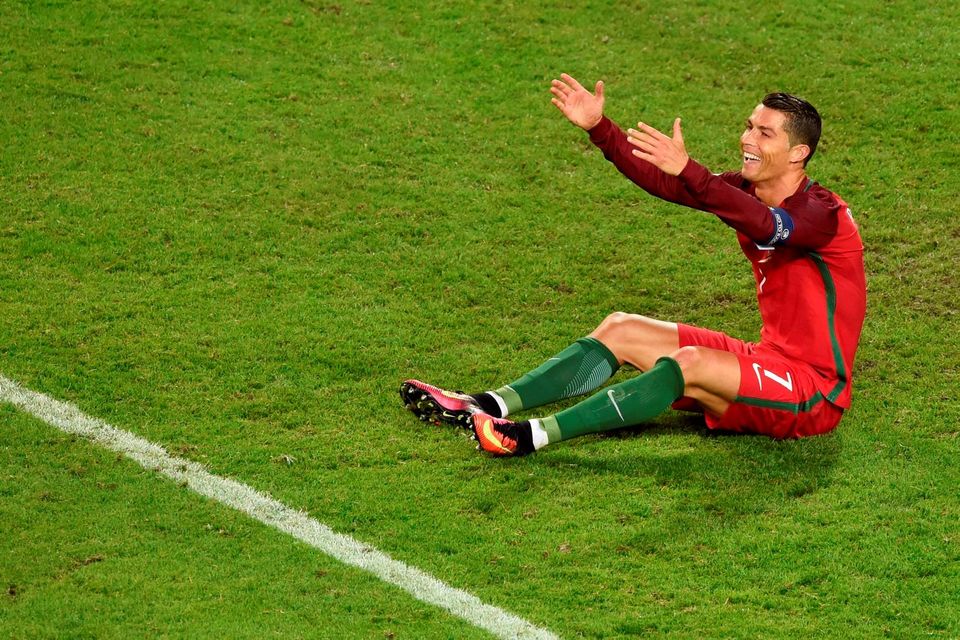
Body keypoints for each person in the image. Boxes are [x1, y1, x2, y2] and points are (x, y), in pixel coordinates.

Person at [400, 73, 866, 456]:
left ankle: (529, 436)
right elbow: (670, 185)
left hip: (813, 391)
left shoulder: (823, 215)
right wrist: (600, 128)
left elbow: (767, 225)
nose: (746, 139)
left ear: (798, 152)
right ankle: (484, 404)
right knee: (621, 328)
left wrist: (690, 171)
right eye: (748, 126)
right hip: (768, 359)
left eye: (764, 133)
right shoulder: (745, 192)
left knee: (690, 361)